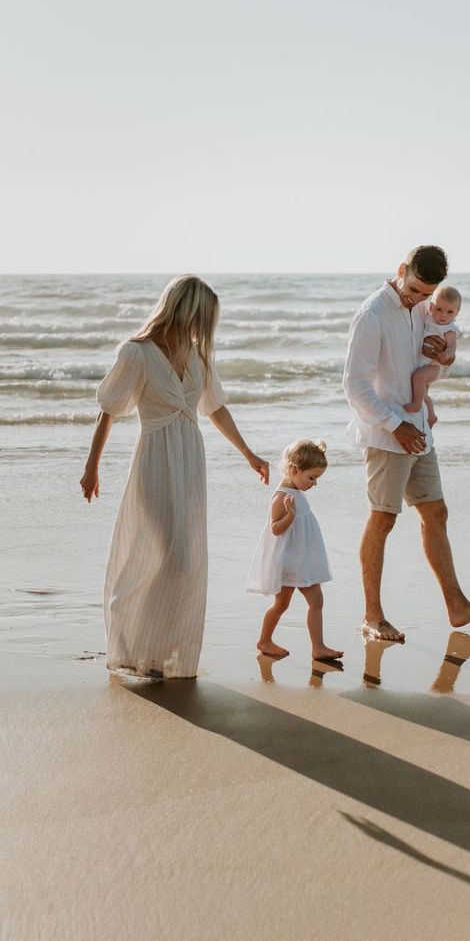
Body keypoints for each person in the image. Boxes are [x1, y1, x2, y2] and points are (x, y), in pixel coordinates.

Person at [79, 274, 269, 679]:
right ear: (186, 310)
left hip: (190, 457)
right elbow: (108, 409)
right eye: (203, 317)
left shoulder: (199, 356)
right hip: (155, 457)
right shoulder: (137, 353)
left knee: (186, 558)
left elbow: (214, 408)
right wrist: (91, 467)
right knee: (166, 552)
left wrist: (248, 453)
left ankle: (162, 654)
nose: (205, 327)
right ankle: (128, 636)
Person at [343, 245, 470, 642]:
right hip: (386, 434)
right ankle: (372, 616)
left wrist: (444, 361)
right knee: (383, 519)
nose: (418, 300)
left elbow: (430, 371)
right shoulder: (373, 314)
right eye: (414, 290)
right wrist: (395, 424)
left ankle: (456, 606)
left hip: (418, 431)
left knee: (436, 513)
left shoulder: (424, 310)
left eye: (425, 294)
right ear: (401, 270)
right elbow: (355, 384)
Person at [247, 439, 342, 663]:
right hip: (290, 562)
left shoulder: (296, 492)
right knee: (282, 604)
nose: (314, 484)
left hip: (303, 560)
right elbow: (275, 529)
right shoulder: (281, 497)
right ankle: (264, 641)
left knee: (315, 601)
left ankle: (318, 647)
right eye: (312, 478)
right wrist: (289, 515)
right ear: (294, 470)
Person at [405, 284, 463, 425]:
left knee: (418, 377)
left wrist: (447, 354)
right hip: (425, 363)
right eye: (439, 309)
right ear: (431, 307)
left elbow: (452, 346)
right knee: (424, 393)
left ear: (457, 313)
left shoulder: (449, 329)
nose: (443, 315)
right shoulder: (429, 318)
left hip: (435, 365)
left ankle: (416, 404)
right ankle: (431, 416)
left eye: (450, 312)